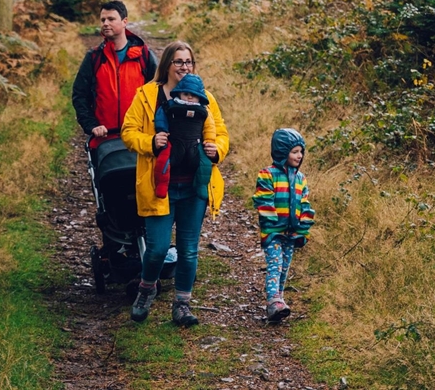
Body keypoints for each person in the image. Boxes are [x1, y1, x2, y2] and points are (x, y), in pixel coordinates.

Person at [122, 41, 229, 326]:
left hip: (194, 187)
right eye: (179, 62)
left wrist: (215, 149)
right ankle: (147, 288)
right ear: (167, 64)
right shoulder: (147, 96)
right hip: (159, 185)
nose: (184, 67)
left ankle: (182, 303)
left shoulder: (204, 97)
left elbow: (221, 134)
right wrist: (150, 142)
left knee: (188, 248)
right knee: (157, 248)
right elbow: (128, 131)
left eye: (189, 62)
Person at [72, 0, 157, 147]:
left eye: (111, 19)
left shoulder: (144, 55)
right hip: (104, 138)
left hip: (139, 137)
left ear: (125, 22)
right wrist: (92, 125)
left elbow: (160, 92)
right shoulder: (95, 57)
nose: (105, 23)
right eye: (103, 20)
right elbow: (80, 95)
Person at [252, 128, 315, 322]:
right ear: (282, 153)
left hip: (292, 231)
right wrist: (272, 223)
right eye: (294, 152)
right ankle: (273, 300)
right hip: (274, 232)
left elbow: (304, 203)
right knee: (275, 264)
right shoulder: (267, 175)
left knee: (285, 266)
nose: (299, 156)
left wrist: (303, 228)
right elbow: (263, 200)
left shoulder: (300, 178)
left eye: (301, 152)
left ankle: (278, 302)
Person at [152, 73, 216, 199]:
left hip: (196, 143)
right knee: (163, 161)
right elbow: (161, 116)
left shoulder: (204, 110)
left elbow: (210, 126)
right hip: (174, 142)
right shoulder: (171, 105)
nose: (189, 98)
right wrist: (162, 131)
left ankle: (201, 185)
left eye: (193, 95)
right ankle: (161, 185)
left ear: (200, 97)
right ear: (179, 93)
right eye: (186, 94)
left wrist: (209, 140)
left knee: (204, 164)